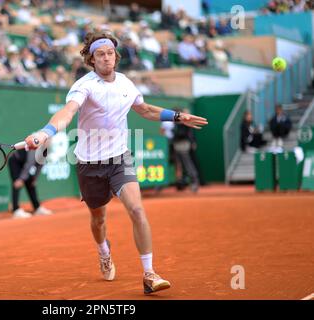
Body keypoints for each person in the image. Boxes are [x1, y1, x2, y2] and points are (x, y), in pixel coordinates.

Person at [23, 32, 208, 294]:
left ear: (116, 56)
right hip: (89, 164)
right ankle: (103, 251)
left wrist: (177, 116)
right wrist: (46, 132)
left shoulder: (125, 84)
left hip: (119, 158)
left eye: (110, 52)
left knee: (137, 210)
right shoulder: (83, 86)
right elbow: (67, 113)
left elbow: (144, 110)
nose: (106, 57)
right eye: (100, 54)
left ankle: (149, 274)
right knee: (98, 220)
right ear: (92, 59)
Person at [8, 149, 53, 219]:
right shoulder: (36, 147)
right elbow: (29, 163)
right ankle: (16, 210)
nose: (50, 141)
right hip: (15, 161)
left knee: (31, 182)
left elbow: (40, 164)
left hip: (24, 163)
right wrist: (21, 179)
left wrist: (35, 178)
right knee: (17, 183)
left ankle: (37, 208)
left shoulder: (46, 150)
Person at [172, 112, 200, 193]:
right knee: (179, 165)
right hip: (177, 144)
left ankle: (194, 182)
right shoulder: (176, 124)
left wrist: (192, 142)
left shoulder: (183, 122)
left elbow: (186, 134)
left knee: (187, 164)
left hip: (183, 144)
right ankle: (182, 184)